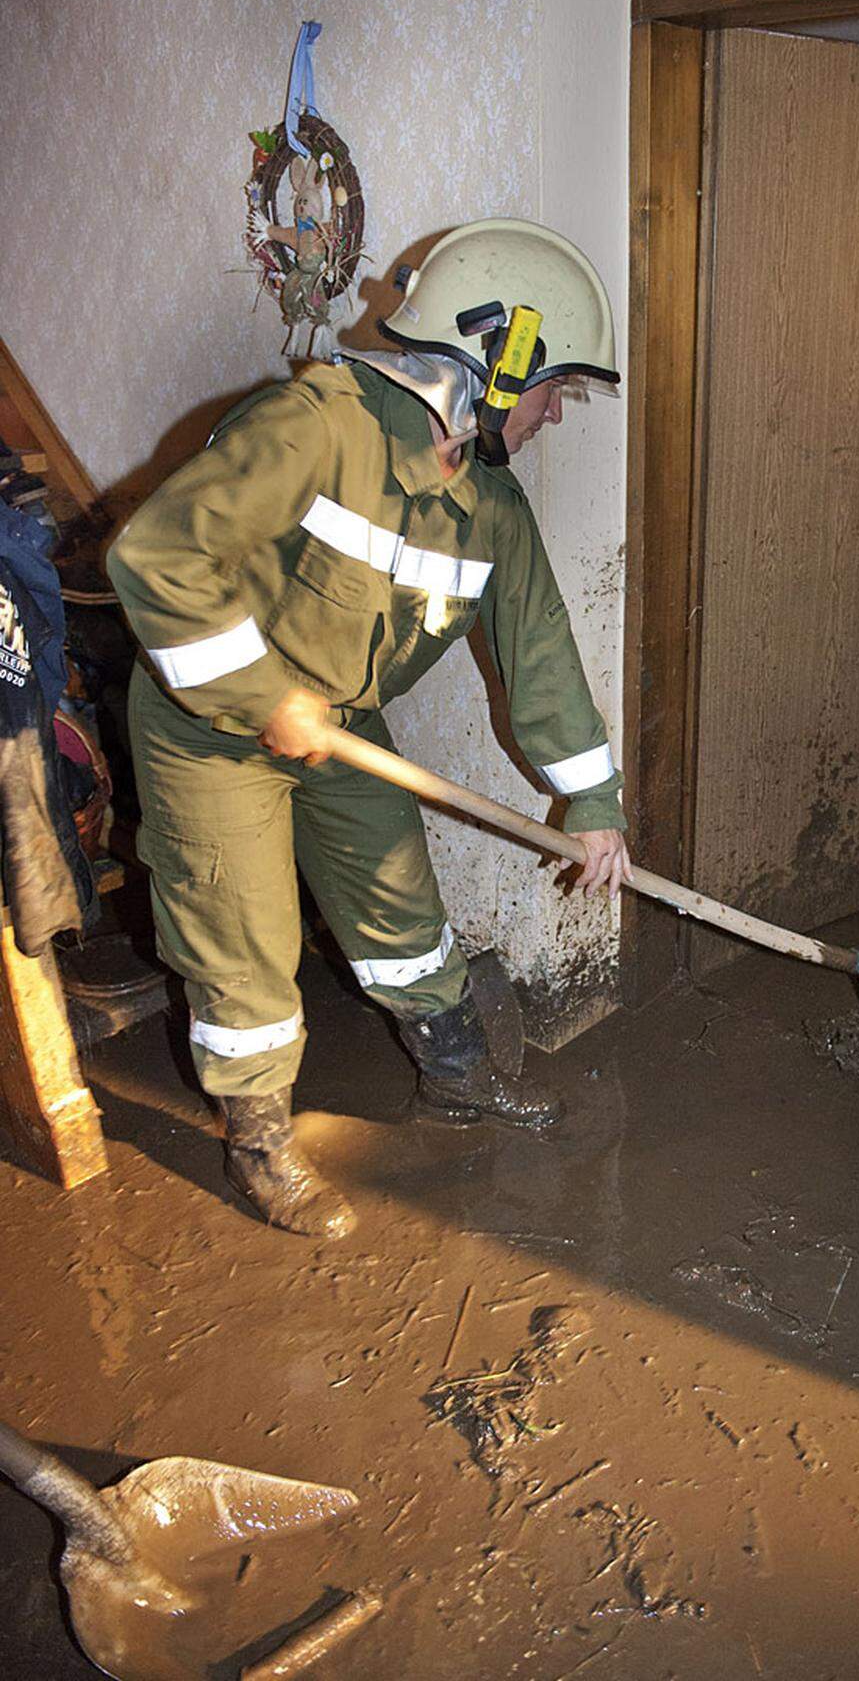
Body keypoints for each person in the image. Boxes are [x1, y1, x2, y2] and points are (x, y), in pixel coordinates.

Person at [107, 219, 632, 1239]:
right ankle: (259, 1143)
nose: (557, 413)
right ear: (495, 363)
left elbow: (542, 657)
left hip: (340, 724)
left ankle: (459, 1075)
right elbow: (158, 559)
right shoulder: (315, 427)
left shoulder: (489, 509)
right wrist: (263, 696)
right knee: (241, 938)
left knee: (401, 904)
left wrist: (596, 804)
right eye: (554, 387)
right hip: (207, 722)